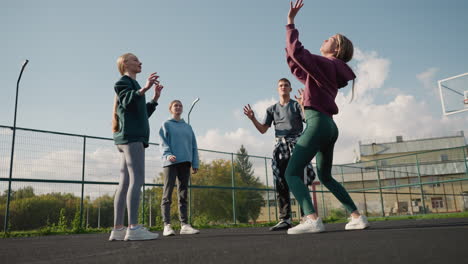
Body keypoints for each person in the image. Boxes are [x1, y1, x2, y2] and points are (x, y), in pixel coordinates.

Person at [284, 0, 369, 235]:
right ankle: (356, 216)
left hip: (318, 124)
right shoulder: (331, 69)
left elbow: (297, 53)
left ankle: (311, 218)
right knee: (325, 176)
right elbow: (298, 67)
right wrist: (305, 103)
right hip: (328, 126)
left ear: (337, 48)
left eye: (330, 38)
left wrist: (291, 23)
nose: (324, 39)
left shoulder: (327, 63)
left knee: (291, 173)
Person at [243, 78, 315, 231]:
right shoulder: (271, 109)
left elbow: (308, 120)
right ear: (277, 89)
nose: (283, 87)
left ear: (290, 89)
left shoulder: (296, 105)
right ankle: (285, 219)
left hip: (297, 144)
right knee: (281, 182)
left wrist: (303, 105)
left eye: (286, 85)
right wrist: (252, 118)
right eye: (281, 86)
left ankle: (306, 216)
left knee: (301, 180)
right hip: (280, 146)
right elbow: (263, 130)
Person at [109, 53, 163, 241]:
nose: (140, 62)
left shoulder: (136, 86)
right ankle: (133, 227)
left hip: (127, 138)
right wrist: (145, 89)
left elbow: (140, 113)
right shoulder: (122, 82)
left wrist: (154, 99)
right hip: (131, 138)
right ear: (125, 64)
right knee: (137, 179)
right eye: (135, 60)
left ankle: (118, 229)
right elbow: (127, 100)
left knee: (124, 183)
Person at [159, 100, 200, 236]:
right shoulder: (166, 125)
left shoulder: (188, 127)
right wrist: (168, 154)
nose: (178, 107)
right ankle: (167, 225)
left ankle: (184, 225)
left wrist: (195, 163)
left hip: (185, 162)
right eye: (175, 105)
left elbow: (193, 145)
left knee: (183, 194)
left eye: (180, 105)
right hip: (170, 163)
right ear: (170, 109)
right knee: (167, 194)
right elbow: (163, 142)